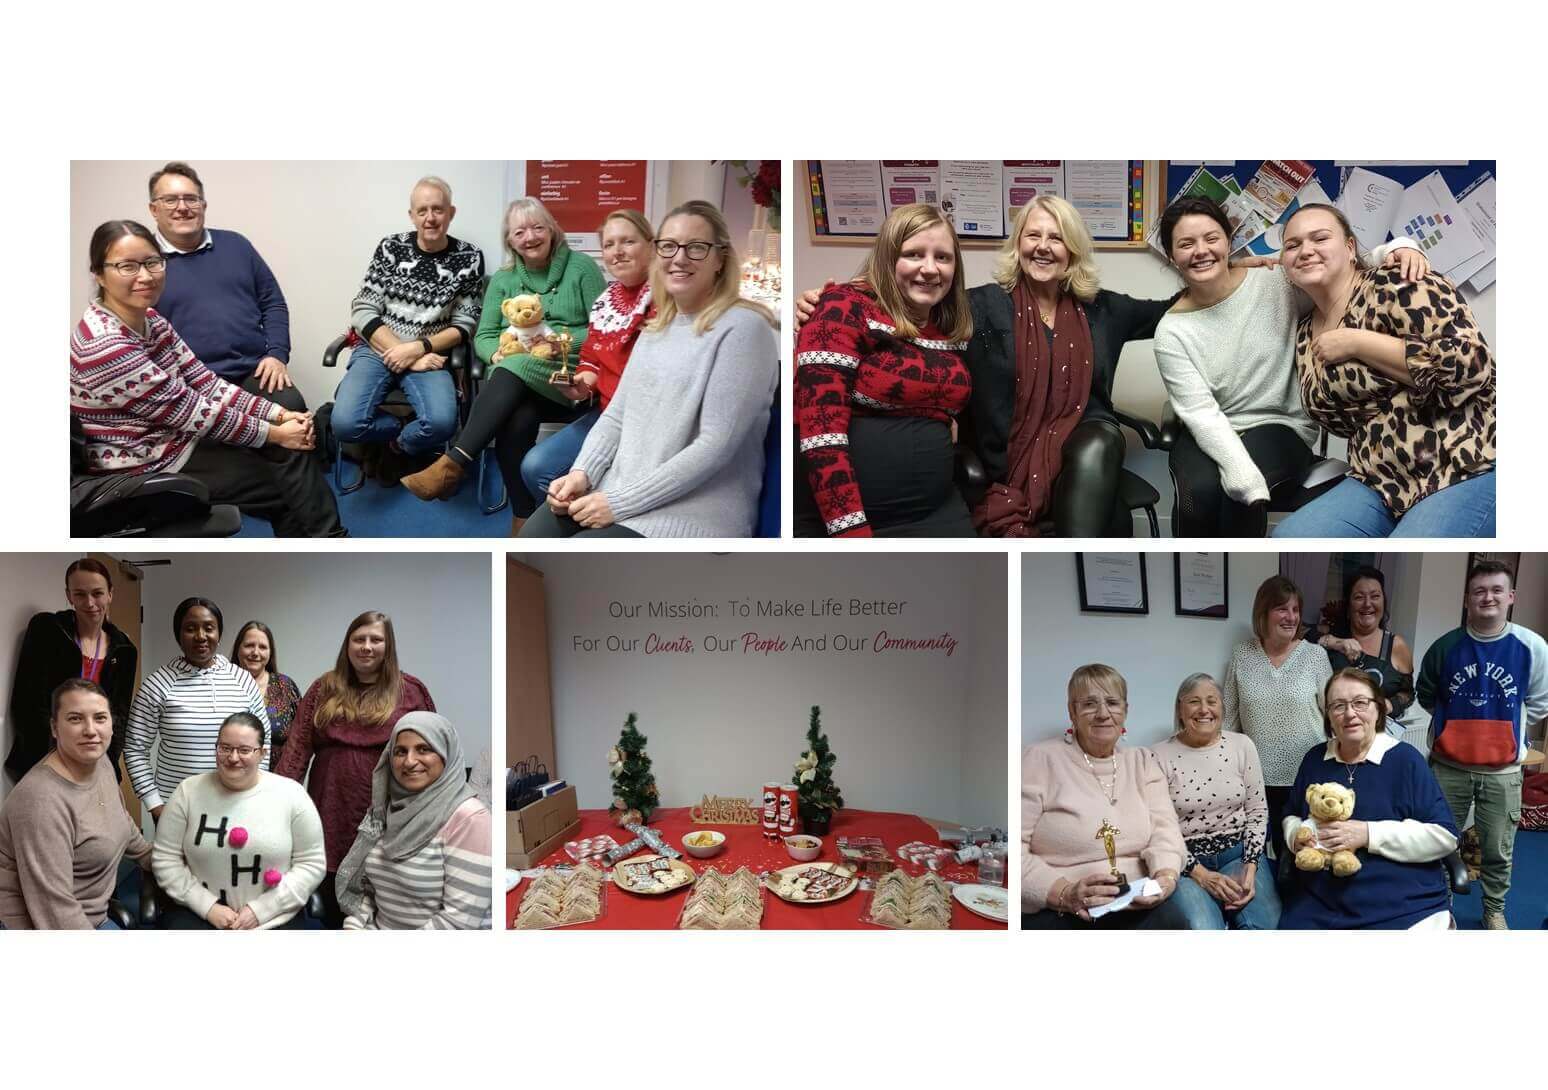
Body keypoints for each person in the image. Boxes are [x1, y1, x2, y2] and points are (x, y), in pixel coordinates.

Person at [1151, 197, 1426, 536]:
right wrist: (1239, 469)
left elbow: (1343, 272)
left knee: (1239, 500)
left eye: (1211, 238)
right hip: (1211, 427)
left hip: (1280, 424)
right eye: (1186, 244)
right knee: (1197, 499)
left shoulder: (1276, 280)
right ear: (1170, 254)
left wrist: (1397, 249)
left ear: (1229, 242)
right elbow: (1200, 413)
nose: (1201, 251)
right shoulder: (1171, 332)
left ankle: (1245, 563)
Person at [71, 220, 345, 537]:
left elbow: (205, 382)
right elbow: (193, 412)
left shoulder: (150, 318)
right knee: (281, 486)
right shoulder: (106, 347)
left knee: (287, 455)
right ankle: (328, 541)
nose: (145, 276)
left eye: (152, 262)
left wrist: (279, 415)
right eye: (127, 266)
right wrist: (277, 433)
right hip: (144, 463)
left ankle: (328, 539)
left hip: (176, 439)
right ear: (99, 274)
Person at [523, 200, 778, 539]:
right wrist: (582, 473)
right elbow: (616, 417)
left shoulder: (744, 328)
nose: (679, 258)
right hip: (621, 492)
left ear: (720, 259)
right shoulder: (656, 328)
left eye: (696, 247)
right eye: (669, 246)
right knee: (530, 541)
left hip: (691, 513)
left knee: (570, 558)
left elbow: (715, 446)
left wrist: (618, 503)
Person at [963, 196, 1184, 536]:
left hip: (1085, 458)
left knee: (1099, 442)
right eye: (1033, 235)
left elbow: (1169, 312)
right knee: (1113, 520)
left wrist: (1231, 276)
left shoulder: (1103, 309)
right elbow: (918, 319)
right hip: (1007, 464)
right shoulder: (979, 306)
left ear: (1072, 250)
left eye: (1057, 238)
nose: (1043, 246)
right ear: (1018, 243)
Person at [1272, 204, 1495, 537]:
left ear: (1350, 248)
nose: (1305, 250)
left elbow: (1470, 366)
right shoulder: (1304, 332)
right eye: (1293, 245)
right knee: (1290, 537)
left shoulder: (1399, 281)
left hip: (1463, 461)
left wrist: (1358, 343)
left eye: (1320, 238)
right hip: (1379, 481)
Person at [401, 198, 607, 532]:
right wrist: (495, 355)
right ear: (509, 240)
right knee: (515, 418)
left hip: (571, 379)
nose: (530, 237)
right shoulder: (503, 279)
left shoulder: (582, 268)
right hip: (517, 386)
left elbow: (603, 330)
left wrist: (558, 341)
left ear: (552, 230)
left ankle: (455, 462)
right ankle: (522, 515)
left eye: (537, 227)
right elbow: (484, 336)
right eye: (519, 232)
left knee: (514, 366)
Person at [794, 203, 973, 537]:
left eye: (943, 257)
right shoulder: (843, 307)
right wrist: (851, 532)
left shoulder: (951, 327)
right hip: (853, 518)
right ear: (888, 258)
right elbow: (821, 433)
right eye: (914, 254)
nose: (930, 269)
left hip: (938, 511)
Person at [275, 611, 435, 926]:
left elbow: (432, 754)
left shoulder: (411, 691)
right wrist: (273, 804)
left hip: (387, 812)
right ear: (347, 645)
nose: (367, 646)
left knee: (381, 902)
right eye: (359, 639)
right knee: (330, 901)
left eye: (376, 639)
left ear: (388, 646)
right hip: (329, 808)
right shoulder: (323, 688)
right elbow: (296, 751)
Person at [1416, 559, 1548, 928]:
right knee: (1438, 842)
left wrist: (1506, 733)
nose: (1487, 597)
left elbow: (1540, 701)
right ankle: (1439, 905)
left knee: (1498, 849)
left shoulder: (1532, 647)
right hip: (1447, 767)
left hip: (1503, 772)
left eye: (1496, 590)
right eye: (1479, 591)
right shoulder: (1445, 647)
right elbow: (1426, 694)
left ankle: (1494, 910)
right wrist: (1454, 731)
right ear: (1467, 599)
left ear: (1511, 596)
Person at [331, 176, 485, 485]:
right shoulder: (391, 248)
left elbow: (464, 326)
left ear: (451, 213)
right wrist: (405, 355)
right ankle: (394, 431)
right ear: (412, 215)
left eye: (438, 209)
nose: (430, 218)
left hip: (428, 353)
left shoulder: (469, 257)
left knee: (442, 424)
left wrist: (417, 349)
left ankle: (397, 445)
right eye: (422, 210)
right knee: (345, 425)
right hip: (377, 349)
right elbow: (363, 311)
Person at [1280, 669, 1459, 929]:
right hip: (1321, 900)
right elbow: (1291, 814)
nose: (1349, 714)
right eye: (1338, 706)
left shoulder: (1405, 760)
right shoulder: (1315, 759)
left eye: (1360, 703)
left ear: (1378, 709)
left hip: (1403, 900)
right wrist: (1297, 835)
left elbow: (1445, 836)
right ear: (1328, 716)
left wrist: (1368, 834)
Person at [1021, 664, 1187, 928]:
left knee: (1180, 922)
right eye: (1089, 704)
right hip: (1065, 907)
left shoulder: (1142, 761)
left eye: (1112, 703)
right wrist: (1064, 893)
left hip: (1139, 900)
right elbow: (1016, 848)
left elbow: (1165, 832)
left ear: (1125, 711)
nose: (1102, 714)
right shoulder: (1039, 760)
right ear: (1072, 712)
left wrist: (1165, 877)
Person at [518, 210, 655, 507]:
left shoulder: (666, 300)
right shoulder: (605, 302)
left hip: (648, 423)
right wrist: (581, 386)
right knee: (536, 467)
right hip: (606, 414)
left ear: (651, 245)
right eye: (609, 244)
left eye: (628, 241)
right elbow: (591, 360)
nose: (617, 252)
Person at [144, 161, 305, 412]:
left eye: (191, 199)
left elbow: (272, 303)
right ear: (154, 209)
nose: (182, 207)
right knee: (218, 432)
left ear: (203, 205)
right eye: (170, 200)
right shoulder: (144, 263)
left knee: (293, 411)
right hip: (189, 383)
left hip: (253, 371)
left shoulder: (236, 245)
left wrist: (276, 354)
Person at [151, 713, 326, 929]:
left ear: (262, 753)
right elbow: (165, 859)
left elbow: (311, 863)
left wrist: (260, 910)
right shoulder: (187, 792)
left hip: (274, 917)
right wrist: (208, 907)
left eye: (244, 750)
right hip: (197, 914)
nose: (233, 758)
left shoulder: (292, 794)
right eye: (225, 748)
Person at [0, 680, 152, 929]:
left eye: (100, 718)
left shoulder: (100, 762)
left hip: (91, 913)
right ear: (54, 728)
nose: (90, 730)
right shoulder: (41, 801)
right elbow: (55, 910)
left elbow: (119, 818)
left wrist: (150, 857)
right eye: (75, 719)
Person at [337, 712, 491, 929]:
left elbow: (458, 923)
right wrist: (355, 925)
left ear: (446, 753)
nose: (409, 761)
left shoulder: (469, 819)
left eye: (424, 749)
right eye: (400, 751)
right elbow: (369, 891)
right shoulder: (386, 809)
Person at [1150, 673, 1280, 929]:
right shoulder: (1157, 756)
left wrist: (1250, 866)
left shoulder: (1242, 745)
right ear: (1180, 709)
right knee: (1203, 929)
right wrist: (1201, 875)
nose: (1204, 709)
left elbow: (1257, 811)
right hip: (1185, 864)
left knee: (1265, 926)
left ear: (1222, 707)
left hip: (1238, 855)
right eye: (1194, 701)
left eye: (1212, 701)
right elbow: (1158, 829)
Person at [124, 597, 269, 823]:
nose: (201, 636)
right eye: (190, 628)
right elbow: (135, 748)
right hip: (177, 809)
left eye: (209, 628)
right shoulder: (158, 684)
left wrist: (255, 793)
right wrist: (155, 805)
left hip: (236, 806)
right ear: (178, 635)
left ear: (219, 633)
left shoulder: (242, 680)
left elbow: (263, 740)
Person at [1222, 575, 1333, 857]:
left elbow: (1333, 715)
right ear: (1263, 612)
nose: (1291, 617)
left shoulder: (1315, 656)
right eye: (1282, 609)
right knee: (1258, 858)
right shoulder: (1242, 655)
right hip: (1255, 779)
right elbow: (1228, 721)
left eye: (1295, 610)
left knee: (1304, 855)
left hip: (1307, 778)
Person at [6, 559, 138, 784]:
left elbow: (119, 715)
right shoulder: (48, 630)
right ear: (69, 596)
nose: (90, 603)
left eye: (97, 593)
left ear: (110, 594)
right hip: (45, 763)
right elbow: (27, 703)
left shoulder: (124, 650)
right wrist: (55, 762)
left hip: (95, 764)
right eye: (80, 594)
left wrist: (107, 763)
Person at [1308, 565, 1414, 723]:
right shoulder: (1332, 635)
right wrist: (1335, 642)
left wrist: (1390, 704)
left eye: (1375, 596)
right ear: (1348, 605)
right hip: (1332, 731)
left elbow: (1408, 694)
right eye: (1359, 597)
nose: (1367, 604)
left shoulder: (1396, 645)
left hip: (1376, 733)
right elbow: (1297, 632)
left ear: (1384, 602)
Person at [231, 621, 302, 769]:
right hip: (229, 775)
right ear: (238, 649)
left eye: (262, 647)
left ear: (270, 652)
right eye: (249, 645)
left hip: (278, 778)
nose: (255, 652)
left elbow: (301, 739)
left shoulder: (285, 686)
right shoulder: (223, 684)